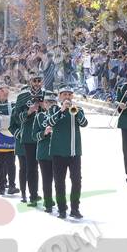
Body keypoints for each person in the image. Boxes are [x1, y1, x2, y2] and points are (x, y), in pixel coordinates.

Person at [45, 84, 87, 219]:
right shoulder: (54, 109)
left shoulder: (78, 109)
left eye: (69, 94)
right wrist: (62, 110)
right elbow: (49, 122)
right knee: (59, 182)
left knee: (76, 181)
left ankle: (75, 208)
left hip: (74, 152)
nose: (67, 97)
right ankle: (62, 209)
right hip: (58, 152)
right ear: (59, 96)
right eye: (64, 94)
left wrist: (76, 112)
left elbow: (84, 123)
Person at [13, 74, 44, 206]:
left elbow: (54, 112)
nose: (37, 83)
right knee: (31, 167)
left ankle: (46, 195)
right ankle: (33, 195)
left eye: (39, 80)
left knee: (47, 168)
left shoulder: (47, 95)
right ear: (30, 81)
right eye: (34, 80)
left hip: (44, 136)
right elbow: (16, 118)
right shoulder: (22, 96)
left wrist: (44, 106)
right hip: (29, 137)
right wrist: (29, 112)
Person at [34, 91, 57, 212]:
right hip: (44, 153)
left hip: (58, 153)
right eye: (48, 102)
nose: (50, 104)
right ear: (44, 103)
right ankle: (48, 202)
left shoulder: (60, 115)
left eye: (53, 102)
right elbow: (34, 136)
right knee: (47, 179)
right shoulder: (40, 116)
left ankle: (60, 202)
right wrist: (44, 133)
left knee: (58, 180)